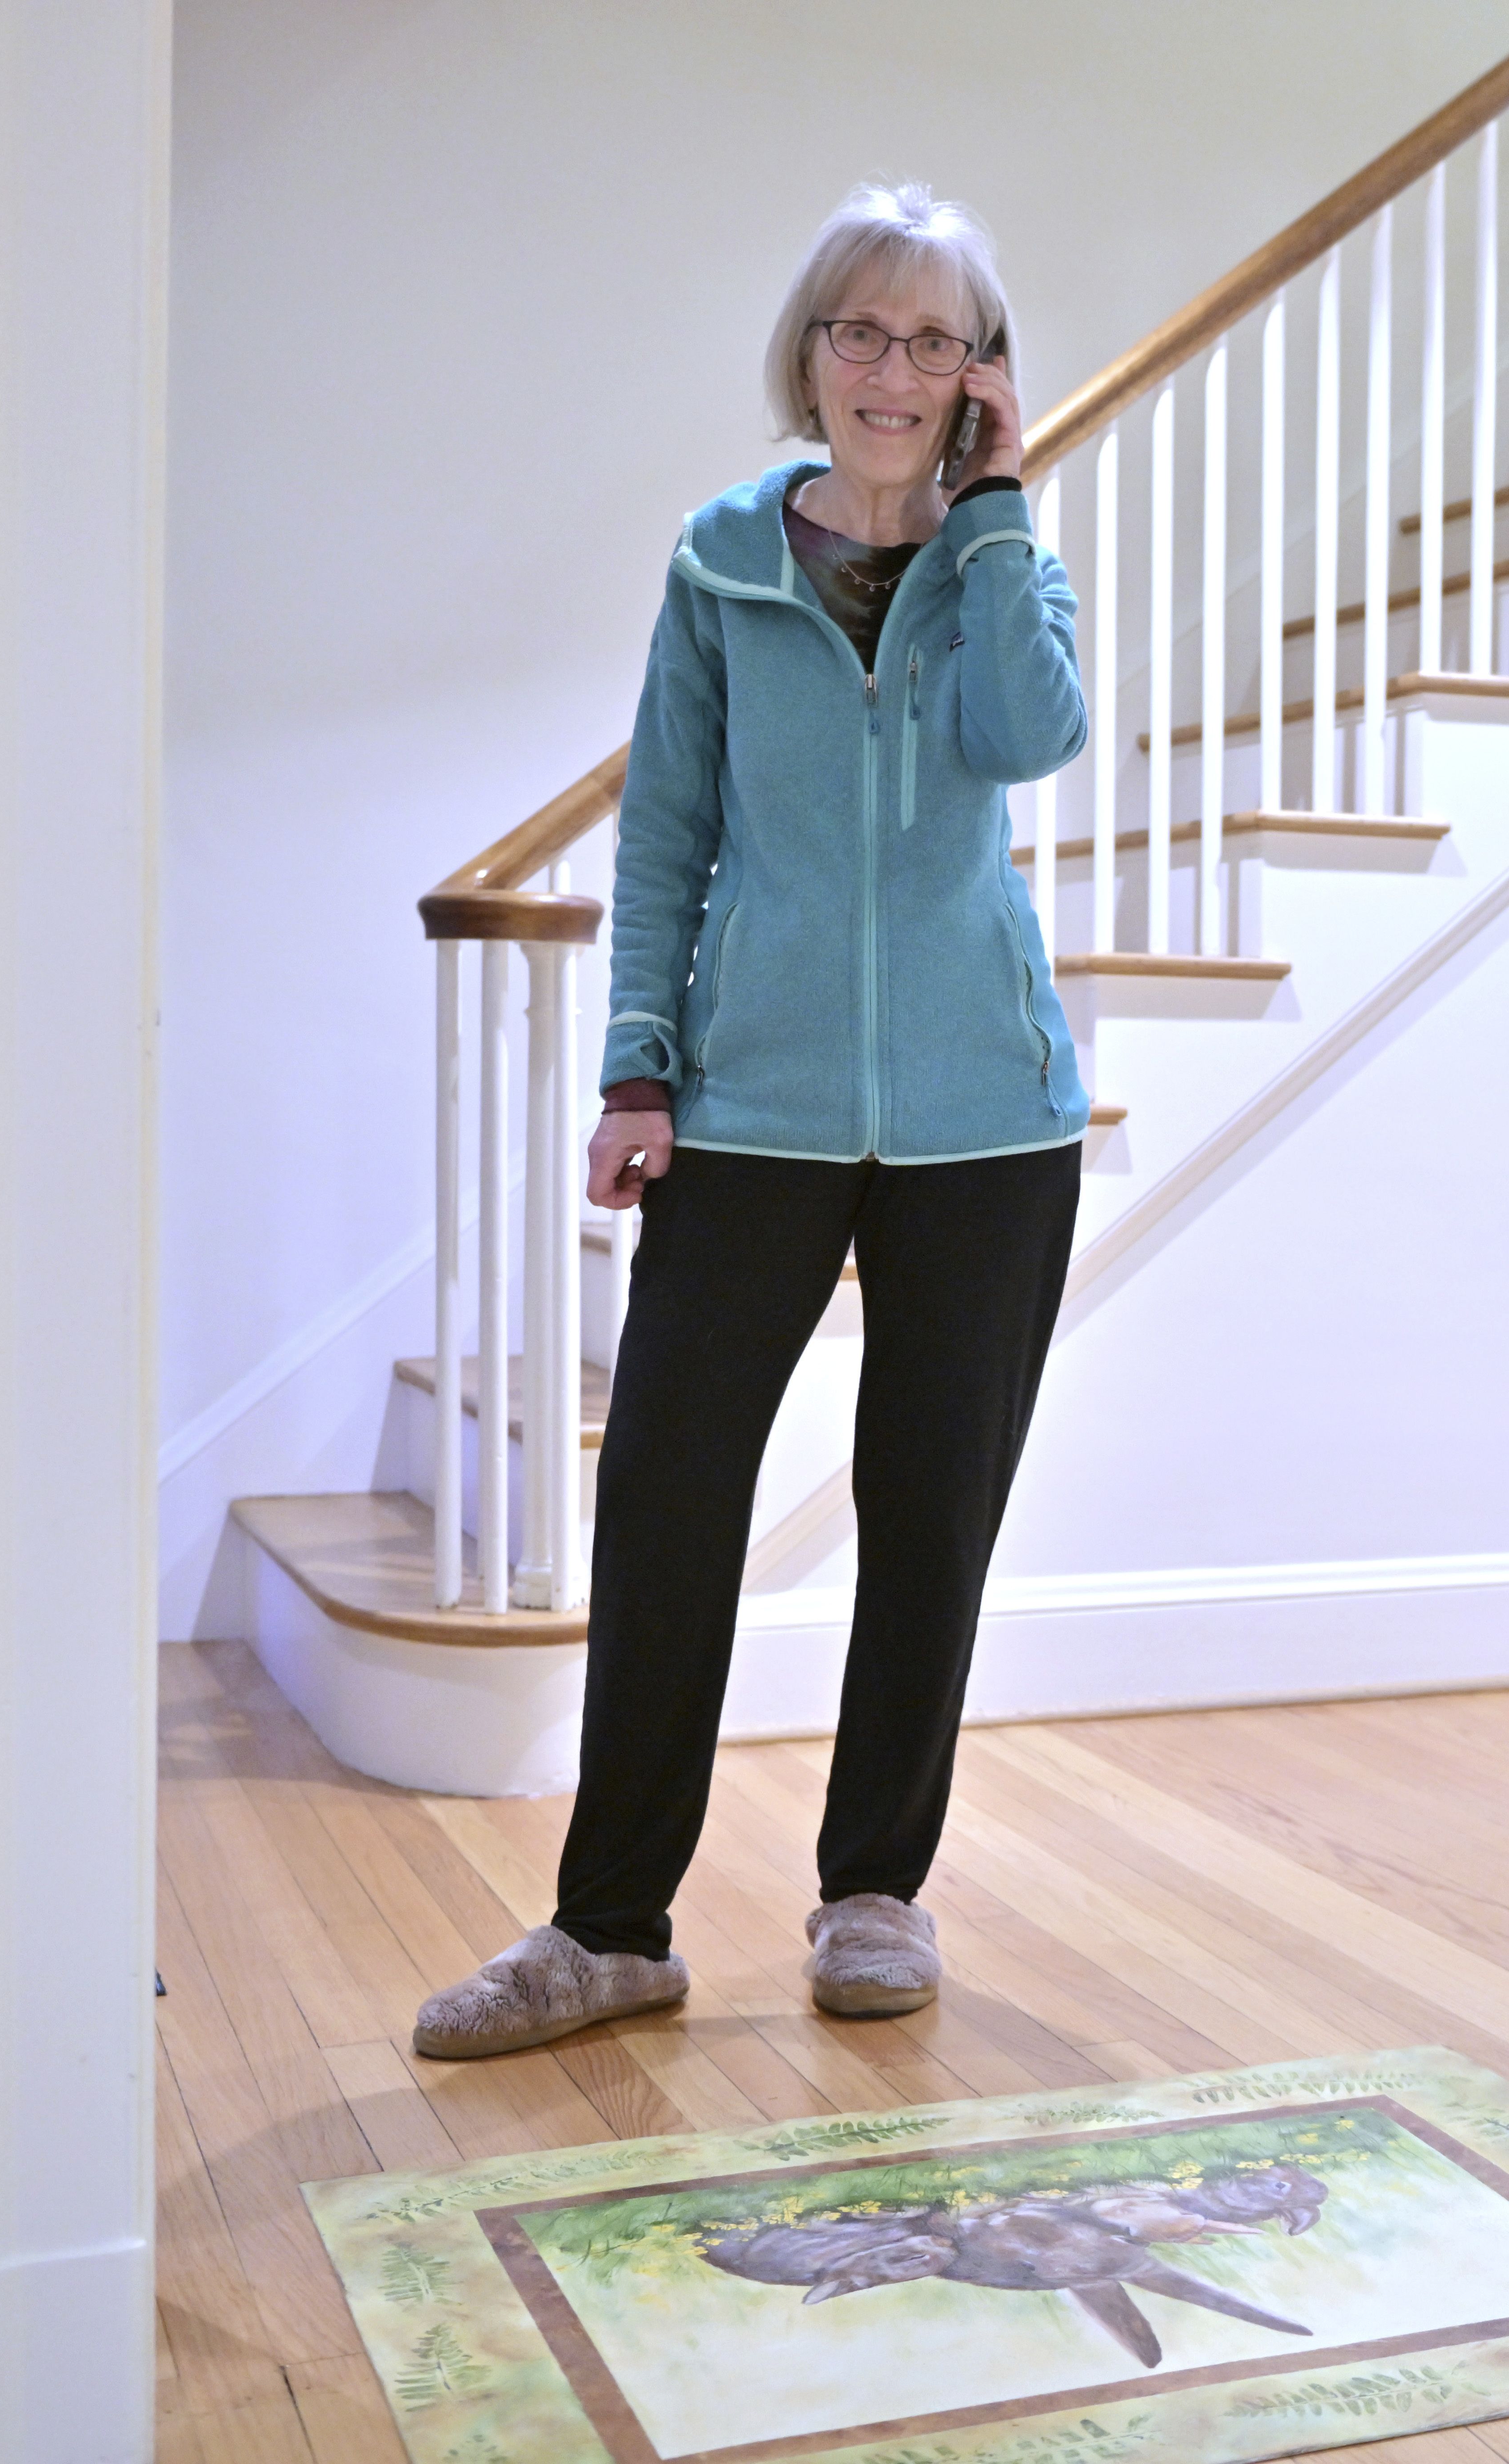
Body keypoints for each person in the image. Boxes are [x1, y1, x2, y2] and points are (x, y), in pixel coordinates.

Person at [414, 183, 1090, 2059]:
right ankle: (610, 1924)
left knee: (928, 1512)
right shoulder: (719, 563)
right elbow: (668, 833)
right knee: (669, 1501)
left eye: (936, 340)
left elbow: (1029, 738)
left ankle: (875, 1887)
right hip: (755, 1109)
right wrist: (641, 1068)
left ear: (980, 378)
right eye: (861, 333)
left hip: (987, 1119)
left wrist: (998, 520)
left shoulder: (996, 555)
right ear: (809, 352)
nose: (893, 370)